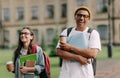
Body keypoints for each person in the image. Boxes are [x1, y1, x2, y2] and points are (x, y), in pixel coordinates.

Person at [56, 6, 101, 78]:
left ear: (88, 19)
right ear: (75, 17)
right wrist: (77, 57)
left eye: (85, 16)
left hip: (85, 74)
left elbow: (93, 54)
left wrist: (70, 47)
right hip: (67, 74)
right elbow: (59, 52)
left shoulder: (92, 33)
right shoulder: (67, 32)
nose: (81, 18)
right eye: (79, 15)